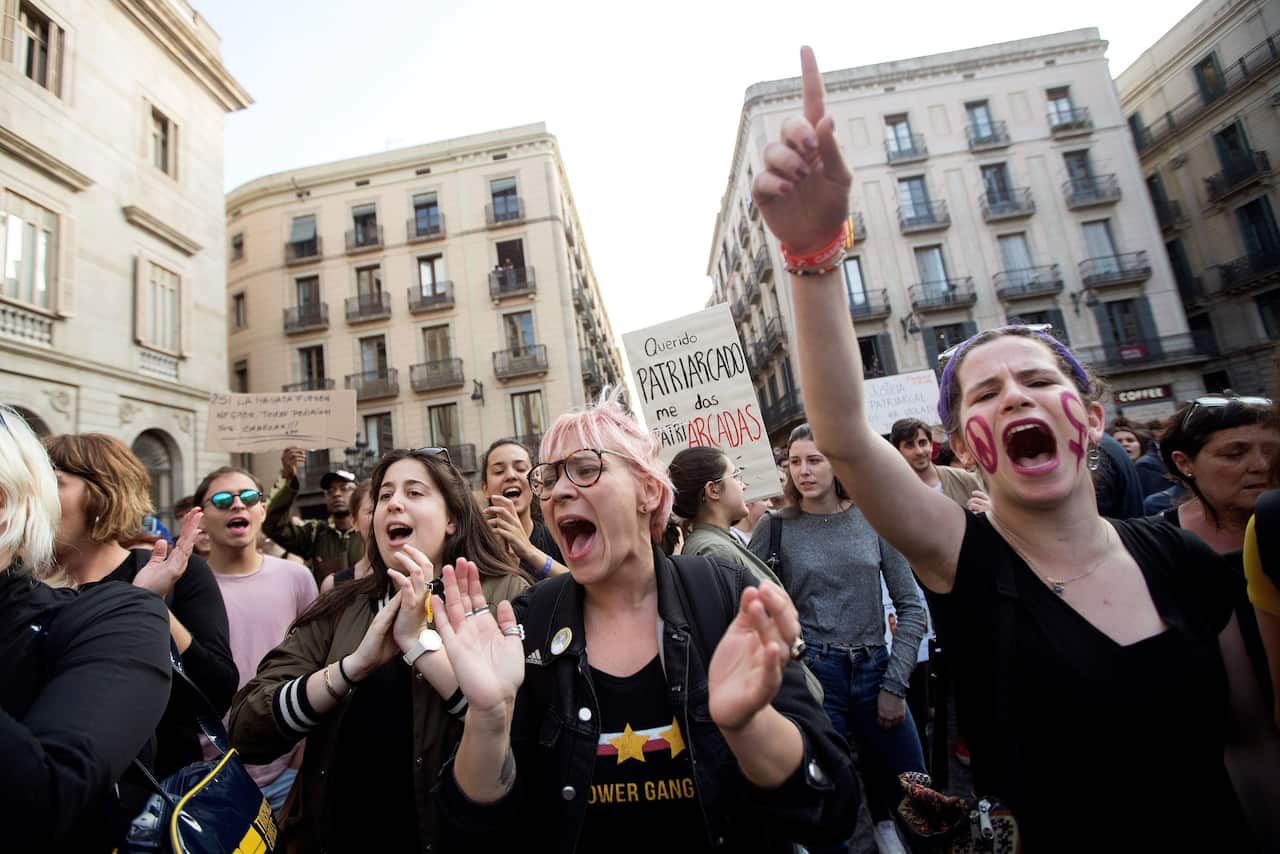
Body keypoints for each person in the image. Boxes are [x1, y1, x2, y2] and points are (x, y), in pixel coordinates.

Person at [750, 46, 1251, 850]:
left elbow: (1252, 746)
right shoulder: (965, 558)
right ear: (963, 443)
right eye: (985, 393)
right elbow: (842, 434)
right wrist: (813, 258)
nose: (1014, 395)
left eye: (1037, 380)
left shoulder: (1185, 562)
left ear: (1089, 417)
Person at [433, 396, 859, 853]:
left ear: (649, 491)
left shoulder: (724, 595)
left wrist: (748, 726)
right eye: (550, 480)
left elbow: (832, 811)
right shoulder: (529, 623)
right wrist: (488, 719)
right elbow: (468, 833)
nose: (558, 493)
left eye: (585, 468)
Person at [229, 448, 529, 851]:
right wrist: (351, 667)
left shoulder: (506, 596)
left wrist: (421, 647)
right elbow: (247, 728)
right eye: (385, 495)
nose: (394, 503)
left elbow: (524, 739)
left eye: (414, 492)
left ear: (453, 519)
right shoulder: (339, 605)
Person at [0, 406, 172, 852]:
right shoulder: (41, 589)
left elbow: (217, 678)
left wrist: (150, 601)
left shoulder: (119, 612)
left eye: (56, 481)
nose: (46, 496)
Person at [749, 423, 925, 854]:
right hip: (815, 677)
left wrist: (895, 684)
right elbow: (753, 609)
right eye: (794, 462)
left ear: (837, 464)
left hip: (877, 670)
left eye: (815, 460)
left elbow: (911, 606)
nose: (803, 471)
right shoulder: (775, 526)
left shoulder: (873, 516)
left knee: (920, 801)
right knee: (830, 810)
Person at [43, 433, 238, 780]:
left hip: (157, 792)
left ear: (104, 493)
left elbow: (214, 695)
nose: (35, 495)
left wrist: (148, 605)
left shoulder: (178, 573)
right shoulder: (22, 586)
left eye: (53, 482)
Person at [1157, 395, 1279, 847]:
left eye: (1271, 450)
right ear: (1184, 463)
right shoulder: (1157, 546)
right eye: (1235, 453)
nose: (1260, 466)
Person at [195, 466, 318, 812]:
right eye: (223, 500)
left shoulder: (297, 578)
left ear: (262, 510)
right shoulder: (185, 587)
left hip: (287, 771)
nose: (238, 505)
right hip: (208, 775)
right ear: (201, 517)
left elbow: (318, 665)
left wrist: (302, 757)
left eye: (249, 497)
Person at [669, 445, 780, 586]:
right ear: (713, 490)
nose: (743, 486)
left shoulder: (714, 544)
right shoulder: (716, 551)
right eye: (735, 476)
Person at [264, 447, 364, 586]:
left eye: (344, 488)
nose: (336, 494)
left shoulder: (371, 532)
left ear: (358, 494)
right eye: (330, 490)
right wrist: (288, 479)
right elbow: (272, 525)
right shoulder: (314, 533)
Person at [480, 439, 566, 580]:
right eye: (499, 471)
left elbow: (586, 586)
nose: (510, 476)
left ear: (536, 482)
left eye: (520, 468)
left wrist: (529, 551)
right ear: (485, 488)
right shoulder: (474, 549)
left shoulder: (558, 537)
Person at [890, 417, 983, 510]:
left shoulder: (965, 479)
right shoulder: (893, 494)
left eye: (922, 443)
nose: (919, 451)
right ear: (898, 451)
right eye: (910, 445)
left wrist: (988, 510)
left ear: (931, 445)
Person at [319, 477, 373, 593]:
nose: (336, 494)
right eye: (371, 511)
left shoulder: (410, 573)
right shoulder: (317, 534)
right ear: (355, 521)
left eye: (344, 488)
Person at [1109, 417, 1168, 497]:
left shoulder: (1146, 466)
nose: (1125, 444)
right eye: (1118, 441)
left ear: (1141, 445)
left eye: (1130, 440)